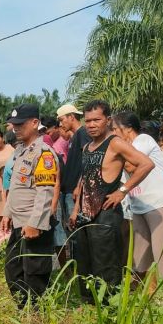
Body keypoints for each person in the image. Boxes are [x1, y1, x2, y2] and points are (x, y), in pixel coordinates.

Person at [70, 100, 153, 301]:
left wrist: (122, 191)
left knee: (106, 266)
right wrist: (75, 209)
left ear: (107, 120)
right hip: (85, 215)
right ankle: (89, 307)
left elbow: (146, 164)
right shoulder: (87, 146)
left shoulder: (115, 143)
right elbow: (85, 177)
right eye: (87, 120)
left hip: (106, 214)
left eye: (96, 120)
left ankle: (109, 310)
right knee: (85, 264)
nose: (91, 124)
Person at [0, 104, 59, 305]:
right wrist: (7, 213)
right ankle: (24, 308)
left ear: (35, 123)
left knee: (34, 273)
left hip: (34, 224)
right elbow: (16, 187)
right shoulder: (21, 151)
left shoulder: (44, 153)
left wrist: (35, 223)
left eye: (20, 124)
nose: (15, 128)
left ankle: (36, 315)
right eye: (13, 124)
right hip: (18, 222)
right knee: (13, 268)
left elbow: (45, 193)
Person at [112, 111, 163, 283]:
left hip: (160, 203)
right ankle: (142, 301)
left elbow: (131, 165)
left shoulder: (143, 140)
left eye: (113, 129)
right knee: (139, 259)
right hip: (140, 206)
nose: (111, 134)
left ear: (127, 129)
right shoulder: (124, 147)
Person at [57, 104, 90, 259]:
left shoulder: (83, 133)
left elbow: (87, 160)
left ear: (71, 117)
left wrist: (79, 185)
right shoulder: (74, 136)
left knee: (76, 230)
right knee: (71, 229)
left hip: (74, 190)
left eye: (62, 119)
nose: (61, 124)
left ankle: (81, 266)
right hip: (67, 188)